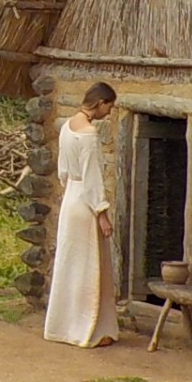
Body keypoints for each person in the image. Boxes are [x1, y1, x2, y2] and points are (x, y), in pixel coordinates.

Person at [44, 82, 119, 348]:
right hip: (85, 203)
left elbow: (64, 171)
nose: (109, 113)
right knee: (89, 267)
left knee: (71, 264)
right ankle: (87, 329)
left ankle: (64, 326)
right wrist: (102, 213)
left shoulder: (67, 127)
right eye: (109, 106)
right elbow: (92, 177)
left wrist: (71, 192)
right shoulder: (88, 134)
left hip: (71, 199)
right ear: (100, 103)